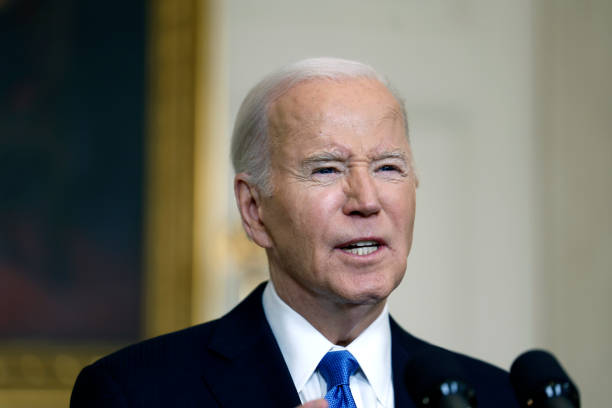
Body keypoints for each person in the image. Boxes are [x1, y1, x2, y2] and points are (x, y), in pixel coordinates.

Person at [71, 58, 519, 407]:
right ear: (254, 209)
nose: (366, 200)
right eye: (325, 169)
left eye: (388, 167)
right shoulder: (133, 393)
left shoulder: (497, 398)